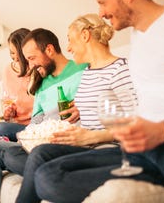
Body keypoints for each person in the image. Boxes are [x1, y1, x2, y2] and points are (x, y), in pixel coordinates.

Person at [31, 0, 164, 203]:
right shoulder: (138, 37)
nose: (100, 13)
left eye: (103, 2)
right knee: (48, 175)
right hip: (142, 146)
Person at [0, 28, 88, 203]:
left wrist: (83, 106)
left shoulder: (82, 69)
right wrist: (29, 136)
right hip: (34, 144)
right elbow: (37, 119)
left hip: (57, 146)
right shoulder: (44, 83)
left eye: (31, 59)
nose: (29, 66)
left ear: (49, 50)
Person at [14, 13, 137, 203]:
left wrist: (92, 136)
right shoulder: (88, 72)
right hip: (86, 143)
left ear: (85, 36)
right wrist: (80, 109)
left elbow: (136, 124)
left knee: (43, 168)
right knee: (41, 153)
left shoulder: (120, 69)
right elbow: (98, 102)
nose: (69, 48)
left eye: (70, 40)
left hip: (109, 147)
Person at [0, 28, 34, 141]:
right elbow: (8, 100)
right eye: (11, 53)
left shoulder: (38, 69)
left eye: (17, 52)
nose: (14, 57)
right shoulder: (8, 70)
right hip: (19, 125)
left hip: (37, 124)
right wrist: (8, 112)